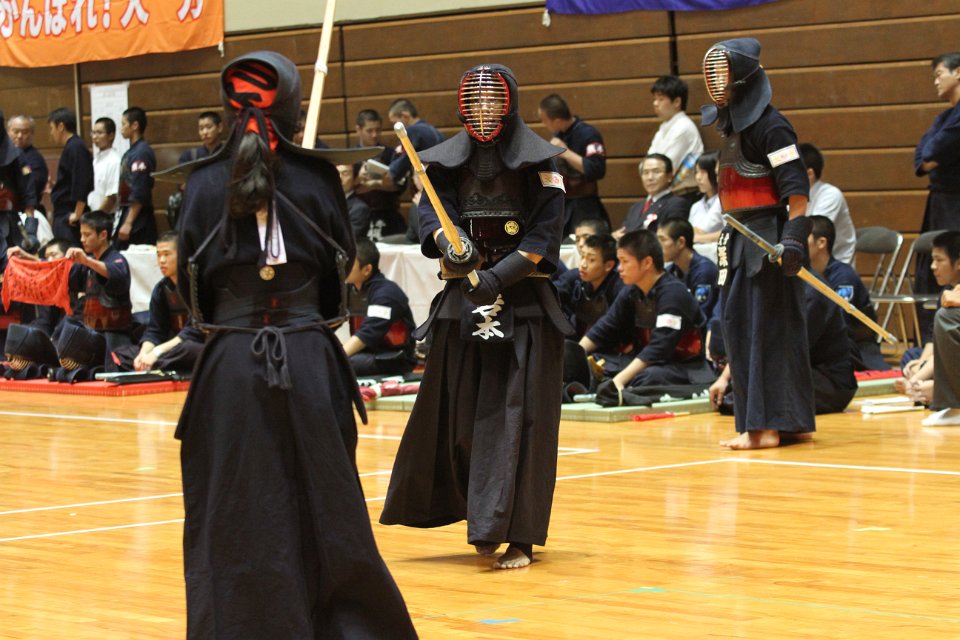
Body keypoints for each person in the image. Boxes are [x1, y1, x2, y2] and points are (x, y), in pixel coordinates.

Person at [170, 51, 416, 638]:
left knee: (234, 508)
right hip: (308, 356)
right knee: (328, 504)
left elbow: (190, 287)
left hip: (230, 364)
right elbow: (340, 274)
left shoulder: (201, 181)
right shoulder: (319, 177)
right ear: (292, 105)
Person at [380, 64, 570, 571]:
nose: (484, 112)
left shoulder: (543, 163)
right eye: (476, 102)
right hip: (461, 305)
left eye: (493, 102)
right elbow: (431, 213)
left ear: (509, 105)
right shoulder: (442, 164)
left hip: (525, 306)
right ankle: (483, 522)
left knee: (519, 423)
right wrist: (452, 245)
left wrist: (497, 277)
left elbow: (543, 235)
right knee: (458, 420)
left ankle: (519, 537)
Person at [701, 37, 814, 449]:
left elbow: (797, 194)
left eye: (723, 74)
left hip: (768, 243)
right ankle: (781, 422)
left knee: (766, 331)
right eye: (713, 76)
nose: (717, 83)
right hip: (738, 238)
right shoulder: (733, 127)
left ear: (743, 78)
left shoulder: (773, 127)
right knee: (740, 327)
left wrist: (793, 241)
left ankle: (766, 427)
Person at [578, 229, 712, 398]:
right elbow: (605, 327)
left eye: (625, 261)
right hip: (647, 361)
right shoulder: (631, 291)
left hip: (685, 366)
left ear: (647, 262)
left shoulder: (673, 294)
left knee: (646, 377)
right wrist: (576, 355)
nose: (619, 268)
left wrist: (618, 381)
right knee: (593, 363)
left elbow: (659, 348)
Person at [711, 269, 858, 416]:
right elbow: (757, 339)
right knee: (734, 394)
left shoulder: (812, 292)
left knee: (746, 400)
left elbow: (782, 349)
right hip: (792, 371)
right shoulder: (775, 285)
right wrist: (724, 378)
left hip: (827, 381)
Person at [10, 210, 133, 369]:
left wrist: (87, 261)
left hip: (114, 338)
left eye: (87, 235)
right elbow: (58, 271)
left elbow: (114, 273)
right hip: (91, 335)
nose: (82, 239)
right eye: (81, 234)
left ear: (103, 235)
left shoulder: (117, 260)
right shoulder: (88, 264)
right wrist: (28, 257)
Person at [914, 52, 960, 337]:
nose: (935, 81)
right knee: (929, 271)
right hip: (939, 203)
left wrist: (933, 157)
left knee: (953, 267)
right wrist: (932, 158)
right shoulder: (943, 118)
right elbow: (921, 157)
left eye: (939, 74)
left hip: (956, 203)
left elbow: (931, 151)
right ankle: (930, 343)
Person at [807, 215, 888, 370]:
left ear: (821, 243)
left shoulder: (844, 276)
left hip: (856, 347)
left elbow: (839, 320)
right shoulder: (804, 274)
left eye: (804, 237)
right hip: (823, 345)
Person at [114, 231, 202, 373]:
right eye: (159, 255)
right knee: (122, 354)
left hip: (196, 344)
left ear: (182, 254)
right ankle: (155, 364)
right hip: (171, 347)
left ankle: (157, 364)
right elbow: (155, 331)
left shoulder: (197, 285)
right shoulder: (161, 289)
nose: (161, 260)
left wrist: (156, 352)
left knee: (188, 349)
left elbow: (194, 331)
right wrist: (144, 354)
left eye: (167, 254)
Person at [363, 99, 443, 240]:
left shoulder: (412, 131)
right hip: (444, 196)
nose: (394, 130)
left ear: (404, 116)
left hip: (427, 198)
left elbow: (394, 171)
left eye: (394, 123)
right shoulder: (434, 132)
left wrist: (374, 182)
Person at [898, 230, 960, 408]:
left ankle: (942, 394)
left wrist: (928, 383)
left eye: (939, 260)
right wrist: (920, 368)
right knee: (911, 357)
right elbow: (935, 341)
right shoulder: (946, 292)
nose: (933, 266)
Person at [343, 238, 417, 376]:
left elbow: (369, 333)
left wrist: (337, 356)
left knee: (342, 364)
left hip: (393, 357)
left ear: (367, 269)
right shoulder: (349, 290)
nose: (343, 267)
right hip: (366, 353)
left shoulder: (386, 293)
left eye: (349, 263)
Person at [538, 93, 609, 233]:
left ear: (557, 121)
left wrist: (566, 152)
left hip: (585, 206)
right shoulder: (558, 135)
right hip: (563, 203)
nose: (543, 125)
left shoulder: (588, 134)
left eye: (545, 121)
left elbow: (597, 169)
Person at [556, 232, 622, 339]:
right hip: (575, 339)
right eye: (582, 256)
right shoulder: (575, 277)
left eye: (591, 260)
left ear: (608, 265)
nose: (583, 264)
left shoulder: (618, 288)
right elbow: (550, 295)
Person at [647, 75, 704, 198]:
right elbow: (649, 162)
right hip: (668, 194)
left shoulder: (683, 127)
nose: (655, 103)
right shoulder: (664, 127)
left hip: (685, 195)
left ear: (677, 102)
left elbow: (665, 169)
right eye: (654, 99)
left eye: (661, 99)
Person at [352, 109, 405, 240]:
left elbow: (401, 185)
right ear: (358, 129)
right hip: (359, 216)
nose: (374, 135)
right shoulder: (350, 156)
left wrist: (374, 184)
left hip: (388, 215)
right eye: (369, 131)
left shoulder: (390, 153)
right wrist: (357, 180)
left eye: (378, 130)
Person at [799, 143, 856, 263]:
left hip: (835, 263)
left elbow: (812, 236)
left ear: (809, 174)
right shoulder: (792, 195)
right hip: (806, 259)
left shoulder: (831, 195)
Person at [657, 217, 719, 322]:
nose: (657, 246)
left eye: (662, 240)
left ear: (681, 242)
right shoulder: (670, 271)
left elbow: (702, 316)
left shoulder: (705, 271)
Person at [48, 107, 94, 244]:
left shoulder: (76, 147)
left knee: (69, 253)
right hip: (64, 212)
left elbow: (82, 180)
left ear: (61, 126)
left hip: (70, 214)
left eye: (52, 128)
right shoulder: (72, 146)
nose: (51, 133)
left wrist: (77, 214)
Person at [0, 110, 39, 271]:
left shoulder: (17, 156)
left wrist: (30, 230)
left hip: (6, 223)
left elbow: (29, 195)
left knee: (10, 267)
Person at [618, 153, 690, 235]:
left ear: (669, 176)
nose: (650, 177)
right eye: (645, 172)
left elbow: (671, 236)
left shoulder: (677, 204)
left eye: (656, 172)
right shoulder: (635, 207)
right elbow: (623, 232)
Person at [116, 106, 157, 248]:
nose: (121, 128)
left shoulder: (141, 153)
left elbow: (140, 190)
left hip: (139, 218)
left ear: (135, 126)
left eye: (123, 124)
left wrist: (128, 223)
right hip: (128, 212)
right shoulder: (132, 151)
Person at [7, 114, 48, 212]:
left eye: (25, 132)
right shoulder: (5, 155)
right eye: (16, 131)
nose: (20, 136)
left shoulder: (34, 159)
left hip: (25, 211)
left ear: (32, 133)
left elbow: (31, 183)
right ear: (8, 132)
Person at [87, 117, 121, 214]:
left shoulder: (114, 161)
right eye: (93, 133)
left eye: (99, 133)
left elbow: (112, 197)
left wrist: (97, 217)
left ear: (111, 135)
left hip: (106, 217)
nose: (94, 137)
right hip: (92, 214)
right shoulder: (96, 159)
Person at [689, 151, 723, 244]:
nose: (698, 177)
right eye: (696, 172)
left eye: (703, 172)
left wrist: (696, 237)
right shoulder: (695, 206)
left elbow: (703, 229)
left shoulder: (723, 201)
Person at [338, 163, 372, 238]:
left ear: (356, 180)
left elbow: (347, 238)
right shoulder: (324, 202)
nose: (339, 177)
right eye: (336, 173)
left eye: (345, 173)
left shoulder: (359, 209)